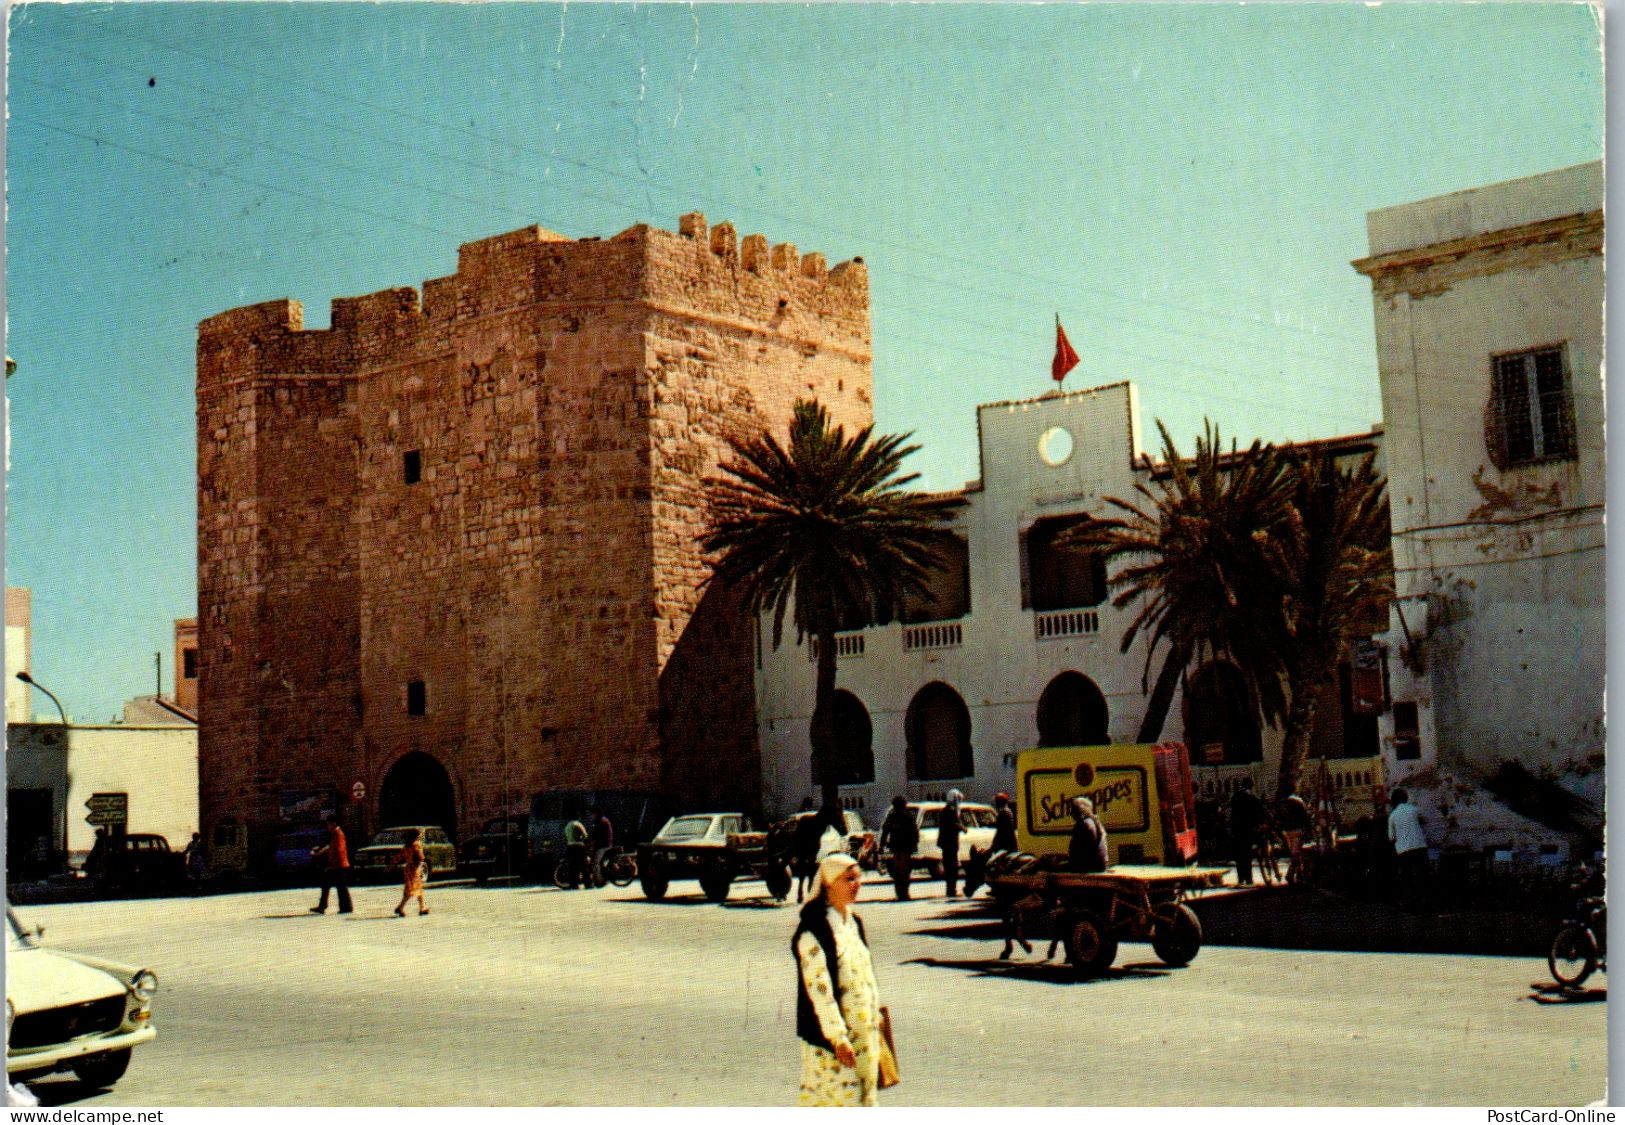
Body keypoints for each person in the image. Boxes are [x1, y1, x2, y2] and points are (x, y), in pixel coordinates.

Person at [792, 852, 885, 1107]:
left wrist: (875, 1016)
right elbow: (818, 988)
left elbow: (865, 975)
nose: (856, 884)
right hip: (833, 1042)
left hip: (864, 1037)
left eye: (858, 878)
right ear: (829, 883)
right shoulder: (814, 930)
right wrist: (837, 1037)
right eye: (849, 879)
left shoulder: (853, 922)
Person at [1387, 788, 1429, 906]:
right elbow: (1425, 821)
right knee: (1423, 875)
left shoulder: (1392, 816)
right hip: (1420, 847)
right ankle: (1425, 899)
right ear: (1406, 798)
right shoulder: (1415, 810)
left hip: (1403, 851)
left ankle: (1410, 901)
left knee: (1407, 876)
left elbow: (1391, 837)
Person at [877, 796, 918, 901]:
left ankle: (900, 893)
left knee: (898, 870)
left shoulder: (892, 816)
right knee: (905, 870)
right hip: (906, 847)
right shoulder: (909, 816)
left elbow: (885, 831)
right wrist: (915, 845)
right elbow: (915, 832)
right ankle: (904, 893)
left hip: (896, 847)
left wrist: (881, 846)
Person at [1227, 779, 1266, 886]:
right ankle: (1249, 878)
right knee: (1247, 854)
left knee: (1239, 855)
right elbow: (1261, 810)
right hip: (1248, 829)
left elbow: (1230, 812)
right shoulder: (1252, 797)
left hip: (1236, 829)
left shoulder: (1235, 796)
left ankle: (1241, 878)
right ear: (1251, 786)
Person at [309, 820, 352, 914]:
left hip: (338, 864)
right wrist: (320, 852)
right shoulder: (335, 833)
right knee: (332, 885)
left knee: (339, 887)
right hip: (336, 864)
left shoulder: (337, 834)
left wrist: (332, 865)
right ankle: (324, 906)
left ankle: (345, 907)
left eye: (328, 825)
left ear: (333, 824)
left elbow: (338, 850)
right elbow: (330, 846)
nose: (327, 827)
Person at [1275, 789, 1312, 884]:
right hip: (1297, 829)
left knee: (1294, 852)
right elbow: (1305, 816)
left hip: (1287, 831)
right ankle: (1290, 875)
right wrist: (1308, 829)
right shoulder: (1298, 801)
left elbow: (1277, 819)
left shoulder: (1281, 803)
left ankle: (1300, 874)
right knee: (1296, 853)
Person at [792, 797, 823, 904]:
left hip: (806, 843)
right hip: (804, 842)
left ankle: (804, 891)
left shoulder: (807, 813)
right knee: (807, 868)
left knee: (806, 868)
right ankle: (806, 891)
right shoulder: (805, 813)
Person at [392, 828, 429, 917]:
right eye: (420, 835)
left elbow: (398, 857)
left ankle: (422, 907)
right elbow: (421, 857)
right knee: (411, 890)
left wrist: (390, 866)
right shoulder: (416, 845)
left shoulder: (406, 846)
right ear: (417, 836)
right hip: (415, 869)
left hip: (408, 869)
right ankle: (400, 907)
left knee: (418, 888)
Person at [1067, 796, 1108, 873]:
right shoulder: (1093, 822)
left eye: (1073, 810)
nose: (1071, 813)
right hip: (1097, 865)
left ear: (1080, 810)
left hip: (1088, 867)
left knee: (1044, 866)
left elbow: (1080, 854)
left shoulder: (1084, 825)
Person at [938, 789, 964, 897]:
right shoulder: (950, 812)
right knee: (952, 867)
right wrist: (963, 828)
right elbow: (953, 825)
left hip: (947, 844)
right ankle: (951, 890)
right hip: (950, 844)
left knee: (949, 867)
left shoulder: (945, 811)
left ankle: (950, 889)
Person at [562, 813, 590, 888]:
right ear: (578, 817)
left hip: (570, 847)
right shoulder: (578, 824)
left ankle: (573, 884)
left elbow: (564, 838)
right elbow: (585, 835)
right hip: (579, 846)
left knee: (572, 866)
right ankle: (588, 884)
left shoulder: (567, 826)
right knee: (583, 865)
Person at [590, 810, 614, 888]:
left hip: (603, 845)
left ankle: (599, 881)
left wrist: (589, 840)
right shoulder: (604, 820)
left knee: (595, 863)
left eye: (592, 813)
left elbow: (595, 834)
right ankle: (601, 878)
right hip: (606, 844)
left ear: (596, 813)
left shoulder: (601, 821)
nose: (592, 815)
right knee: (600, 862)